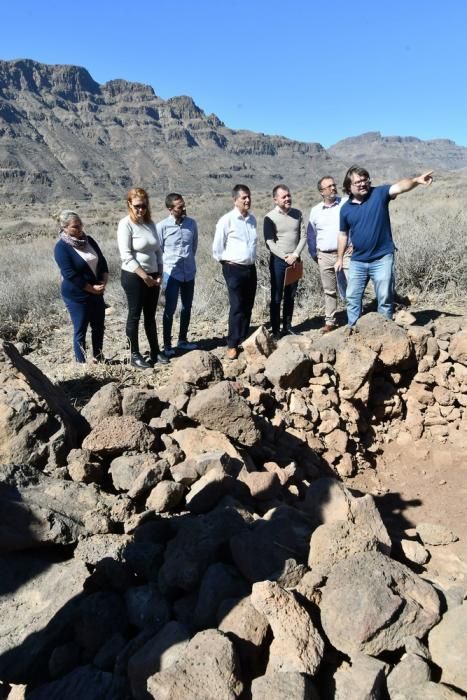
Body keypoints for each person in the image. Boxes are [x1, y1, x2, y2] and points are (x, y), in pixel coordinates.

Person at [335, 166, 433, 326]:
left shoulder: (379, 194)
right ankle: (352, 330)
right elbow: (343, 234)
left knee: (385, 298)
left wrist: (415, 181)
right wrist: (339, 258)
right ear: (349, 187)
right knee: (352, 297)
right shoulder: (345, 209)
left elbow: (400, 186)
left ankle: (385, 331)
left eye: (365, 180)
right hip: (358, 260)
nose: (362, 184)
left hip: (382, 258)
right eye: (357, 181)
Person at [117, 187, 169, 369]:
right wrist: (144, 276)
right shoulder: (125, 224)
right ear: (129, 204)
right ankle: (134, 354)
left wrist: (160, 273)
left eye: (144, 206)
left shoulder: (150, 224)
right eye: (138, 206)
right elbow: (126, 255)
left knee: (150, 316)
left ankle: (155, 350)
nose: (141, 210)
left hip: (153, 276)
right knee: (134, 315)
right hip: (134, 276)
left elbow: (158, 251)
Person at [54, 210, 108, 363]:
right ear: (64, 228)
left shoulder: (89, 240)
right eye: (75, 227)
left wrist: (104, 280)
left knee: (99, 326)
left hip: (97, 292)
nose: (79, 229)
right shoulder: (61, 248)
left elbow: (101, 260)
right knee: (80, 330)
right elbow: (70, 274)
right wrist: (91, 288)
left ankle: (98, 357)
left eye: (80, 225)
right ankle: (81, 364)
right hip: (76, 295)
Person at [212, 184, 257, 360]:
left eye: (249, 197)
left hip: (250, 268)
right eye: (243, 197)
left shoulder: (252, 219)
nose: (247, 200)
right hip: (233, 268)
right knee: (237, 305)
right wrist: (227, 263)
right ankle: (232, 343)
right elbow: (217, 247)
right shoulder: (227, 220)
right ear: (235, 200)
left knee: (248, 305)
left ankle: (244, 337)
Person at [307, 176, 351, 332]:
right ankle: (330, 321)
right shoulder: (315, 211)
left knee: (352, 285)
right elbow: (311, 234)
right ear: (321, 192)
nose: (333, 188)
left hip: (346, 253)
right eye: (329, 186)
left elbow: (355, 223)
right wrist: (315, 254)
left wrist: (355, 244)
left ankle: (354, 317)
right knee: (329, 290)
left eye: (334, 185)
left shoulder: (345, 203)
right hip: (324, 255)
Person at [156, 193, 198, 356]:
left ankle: (183, 340)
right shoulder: (162, 227)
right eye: (180, 207)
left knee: (186, 307)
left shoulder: (192, 224)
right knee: (170, 309)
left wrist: (188, 263)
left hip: (189, 272)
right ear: (170, 209)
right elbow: (158, 251)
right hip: (171, 274)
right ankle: (167, 345)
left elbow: (193, 247)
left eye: (184, 205)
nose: (184, 208)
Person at [264, 185, 306, 338]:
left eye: (289, 195)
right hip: (278, 262)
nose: (288, 199)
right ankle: (275, 331)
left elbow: (303, 237)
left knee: (291, 295)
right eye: (284, 197)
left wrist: (295, 254)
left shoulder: (297, 214)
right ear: (275, 199)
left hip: (295, 259)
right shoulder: (269, 218)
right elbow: (270, 242)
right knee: (276, 297)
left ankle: (287, 327)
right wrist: (285, 257)